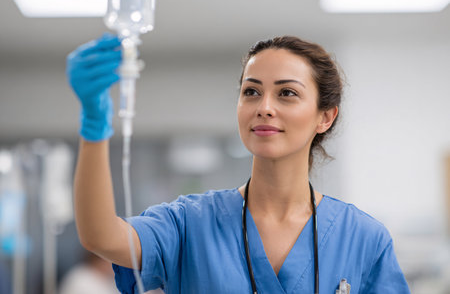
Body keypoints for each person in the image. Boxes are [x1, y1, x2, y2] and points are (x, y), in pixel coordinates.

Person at [66, 34, 411, 293]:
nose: (264, 106)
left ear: (325, 116)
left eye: (287, 93)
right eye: (251, 91)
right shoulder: (190, 224)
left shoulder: (363, 238)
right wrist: (94, 125)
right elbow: (101, 237)